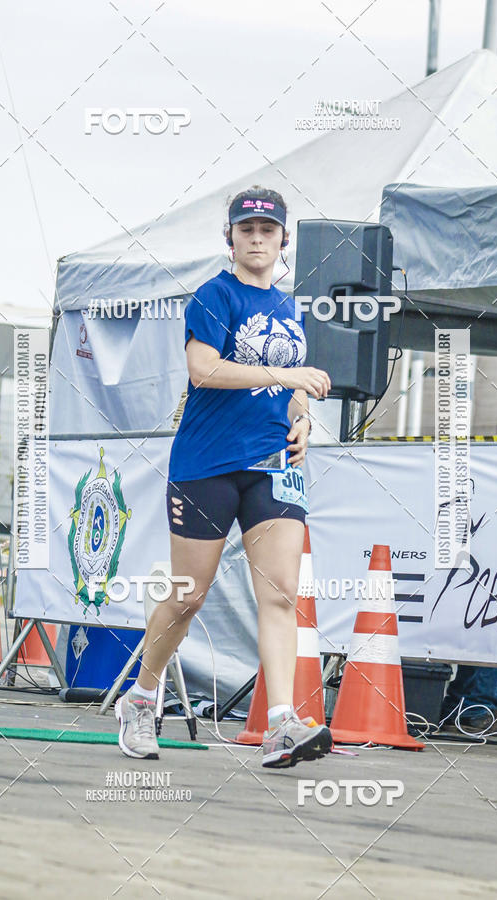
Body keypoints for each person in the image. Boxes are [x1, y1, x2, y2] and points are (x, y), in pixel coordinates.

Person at [115, 185, 333, 767]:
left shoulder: (292, 308)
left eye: (268, 230)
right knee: (189, 596)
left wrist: (303, 420)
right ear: (231, 239)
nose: (257, 239)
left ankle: (281, 723)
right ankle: (142, 698)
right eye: (247, 230)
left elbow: (288, 389)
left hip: (273, 467)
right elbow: (204, 370)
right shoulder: (214, 297)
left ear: (284, 239)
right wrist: (290, 380)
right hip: (207, 465)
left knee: (281, 594)